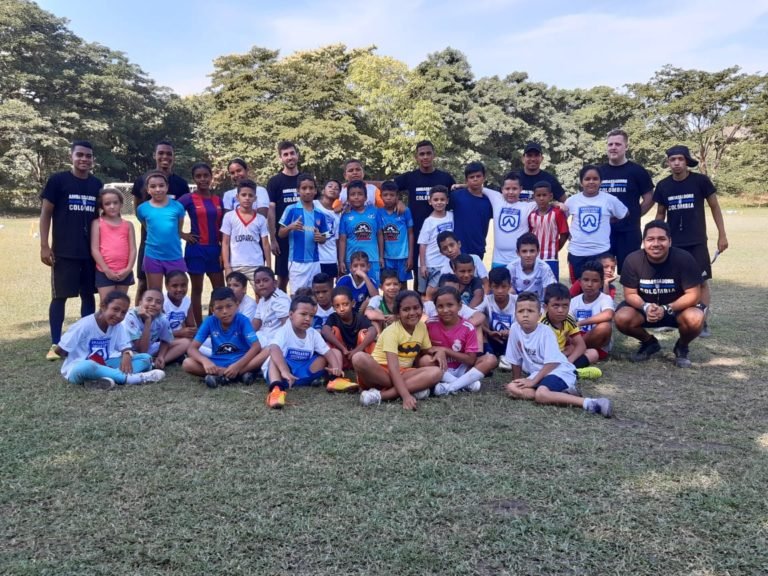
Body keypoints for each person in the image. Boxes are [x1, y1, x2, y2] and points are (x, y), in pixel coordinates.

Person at [653, 145, 728, 337]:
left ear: (686, 161)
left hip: (696, 241)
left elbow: (715, 207)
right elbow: (660, 214)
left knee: (701, 281)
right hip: (673, 243)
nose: (676, 163)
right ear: (668, 162)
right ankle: (671, 319)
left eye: (680, 159)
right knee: (672, 282)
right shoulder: (663, 185)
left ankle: (702, 322)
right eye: (673, 160)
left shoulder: (700, 181)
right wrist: (655, 239)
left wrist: (722, 235)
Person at [40, 140, 102, 360]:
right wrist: (44, 245)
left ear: (92, 159)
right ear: (71, 157)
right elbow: (46, 213)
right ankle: (56, 342)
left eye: (88, 156)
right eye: (80, 155)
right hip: (64, 251)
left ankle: (85, 340)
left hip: (90, 252)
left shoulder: (96, 184)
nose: (84, 159)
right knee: (60, 297)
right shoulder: (58, 181)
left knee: (88, 296)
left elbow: (102, 217)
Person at [504, 292, 613, 417]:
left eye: (530, 311)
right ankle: (561, 395)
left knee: (541, 394)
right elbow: (515, 359)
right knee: (512, 388)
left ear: (539, 315)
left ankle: (591, 403)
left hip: (558, 370)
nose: (525, 315)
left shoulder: (546, 332)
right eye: (520, 311)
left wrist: (533, 381)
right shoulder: (515, 329)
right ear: (515, 314)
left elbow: (552, 363)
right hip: (539, 373)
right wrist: (517, 380)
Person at [614, 220, 705, 368]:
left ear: (670, 241)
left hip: (676, 309)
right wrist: (646, 306)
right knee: (622, 317)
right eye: (650, 239)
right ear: (643, 242)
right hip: (645, 309)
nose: (656, 244)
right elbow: (630, 294)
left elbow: (694, 295)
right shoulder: (632, 260)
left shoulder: (684, 259)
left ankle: (682, 347)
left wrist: (667, 308)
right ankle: (649, 342)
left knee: (695, 318)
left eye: (661, 239)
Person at [352, 291, 445, 410]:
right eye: (406, 309)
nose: (412, 313)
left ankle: (380, 395)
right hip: (380, 373)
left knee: (436, 372)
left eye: (416, 308)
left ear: (422, 309)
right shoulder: (392, 331)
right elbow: (393, 368)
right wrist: (406, 396)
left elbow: (427, 350)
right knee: (358, 358)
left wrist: (440, 351)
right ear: (397, 314)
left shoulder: (421, 327)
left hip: (404, 372)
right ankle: (411, 388)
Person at [55, 291, 166, 389]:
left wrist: (127, 354)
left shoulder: (117, 325)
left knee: (146, 358)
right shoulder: (83, 325)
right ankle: (132, 379)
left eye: (123, 312)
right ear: (103, 306)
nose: (118, 315)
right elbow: (59, 350)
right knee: (86, 366)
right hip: (81, 368)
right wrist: (76, 355)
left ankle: (101, 379)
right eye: (115, 309)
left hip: (106, 364)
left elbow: (125, 347)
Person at [131, 140, 191, 305]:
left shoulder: (181, 184)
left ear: (174, 157)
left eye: (169, 153)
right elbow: (138, 211)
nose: (165, 156)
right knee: (144, 285)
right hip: (150, 244)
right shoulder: (142, 180)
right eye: (161, 153)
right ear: (154, 155)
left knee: (176, 287)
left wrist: (181, 233)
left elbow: (181, 213)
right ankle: (140, 317)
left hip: (172, 249)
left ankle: (174, 317)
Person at [264, 295, 345, 408]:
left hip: (305, 372)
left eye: (311, 316)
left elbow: (327, 352)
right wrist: (284, 370)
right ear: (291, 315)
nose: (308, 319)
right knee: (274, 358)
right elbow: (274, 348)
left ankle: (335, 380)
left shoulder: (313, 333)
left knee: (334, 352)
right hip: (285, 376)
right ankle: (276, 391)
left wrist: (336, 367)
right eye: (303, 314)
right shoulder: (284, 331)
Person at [394, 140, 456, 288]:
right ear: (416, 157)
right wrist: (397, 200)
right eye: (422, 154)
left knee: (446, 276)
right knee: (421, 275)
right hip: (417, 234)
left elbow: (458, 194)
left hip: (441, 236)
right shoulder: (410, 177)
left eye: (428, 153)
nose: (425, 157)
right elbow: (386, 187)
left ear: (434, 155)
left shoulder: (445, 178)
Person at [184, 287, 268, 388]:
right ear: (212, 310)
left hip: (242, 361)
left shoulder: (243, 320)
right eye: (219, 308)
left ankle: (224, 376)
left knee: (268, 350)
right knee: (187, 363)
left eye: (229, 306)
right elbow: (192, 348)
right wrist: (205, 361)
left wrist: (237, 366)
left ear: (237, 305)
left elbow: (256, 346)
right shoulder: (209, 321)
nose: (224, 311)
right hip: (218, 363)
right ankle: (239, 375)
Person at [599, 129, 655, 271]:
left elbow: (649, 197)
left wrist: (634, 214)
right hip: (603, 232)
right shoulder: (599, 172)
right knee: (602, 272)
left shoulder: (637, 171)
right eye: (610, 144)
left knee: (630, 272)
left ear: (626, 147)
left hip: (629, 232)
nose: (613, 147)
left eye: (618, 144)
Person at [427, 286, 497, 395]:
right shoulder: (429, 324)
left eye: (450, 305)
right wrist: (436, 352)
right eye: (440, 306)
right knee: (424, 360)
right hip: (440, 367)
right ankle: (464, 384)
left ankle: (449, 387)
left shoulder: (468, 327)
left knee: (491, 359)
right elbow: (424, 350)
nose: (445, 310)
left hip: (463, 369)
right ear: (435, 308)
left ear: (459, 306)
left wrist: (444, 350)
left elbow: (471, 360)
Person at [565, 165, 628, 283]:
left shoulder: (610, 199)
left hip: (601, 252)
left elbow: (624, 213)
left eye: (595, 179)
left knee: (601, 287)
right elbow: (560, 218)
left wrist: (609, 220)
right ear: (581, 182)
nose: (591, 182)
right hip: (577, 252)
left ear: (600, 181)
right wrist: (567, 232)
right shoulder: (572, 201)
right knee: (578, 287)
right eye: (587, 179)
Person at [179, 163, 224, 325]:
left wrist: (223, 250)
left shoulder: (218, 200)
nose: (203, 179)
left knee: (220, 290)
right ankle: (198, 326)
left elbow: (223, 226)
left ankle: (214, 323)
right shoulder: (188, 198)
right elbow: (170, 213)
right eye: (198, 176)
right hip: (196, 249)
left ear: (211, 177)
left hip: (215, 249)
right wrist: (181, 234)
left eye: (206, 175)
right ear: (194, 179)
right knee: (197, 290)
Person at [539, 283, 602, 378]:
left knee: (593, 353)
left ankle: (566, 370)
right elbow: (541, 353)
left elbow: (581, 345)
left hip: (562, 356)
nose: (560, 310)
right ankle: (574, 373)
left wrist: (568, 362)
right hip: (546, 359)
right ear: (545, 307)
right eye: (556, 306)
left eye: (565, 306)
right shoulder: (542, 324)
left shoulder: (569, 319)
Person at [278, 173, 328, 290]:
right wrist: (291, 227)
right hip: (297, 262)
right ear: (298, 191)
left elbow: (324, 238)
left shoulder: (320, 214)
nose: (308, 191)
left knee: (315, 295)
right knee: (297, 296)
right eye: (304, 188)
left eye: (311, 188)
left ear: (315, 191)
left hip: (315, 262)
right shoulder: (291, 209)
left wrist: (321, 238)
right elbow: (280, 233)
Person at [220, 179, 271, 296]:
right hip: (236, 265)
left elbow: (265, 244)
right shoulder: (229, 217)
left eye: (250, 195)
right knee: (235, 297)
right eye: (243, 195)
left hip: (256, 264)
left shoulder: (260, 219)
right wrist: (227, 266)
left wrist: (268, 266)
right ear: (237, 197)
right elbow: (225, 243)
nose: (247, 198)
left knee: (261, 296)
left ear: (255, 198)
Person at [90, 187, 136, 302]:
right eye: (107, 204)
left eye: (115, 203)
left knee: (120, 304)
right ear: (102, 207)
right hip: (104, 272)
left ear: (121, 204)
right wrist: (106, 270)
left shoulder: (128, 225)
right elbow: (94, 249)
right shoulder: (97, 223)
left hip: (124, 272)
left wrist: (128, 269)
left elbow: (133, 249)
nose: (112, 206)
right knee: (107, 304)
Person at [123, 289, 188, 369]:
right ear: (140, 303)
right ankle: (149, 363)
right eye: (149, 300)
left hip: (149, 348)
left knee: (185, 343)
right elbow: (142, 351)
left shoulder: (162, 318)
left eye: (158, 302)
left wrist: (161, 355)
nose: (153, 304)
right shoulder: (131, 317)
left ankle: (158, 362)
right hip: (130, 351)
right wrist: (148, 321)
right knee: (143, 357)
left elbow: (165, 340)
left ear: (162, 307)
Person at [482, 171, 535, 268]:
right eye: (507, 189)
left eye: (514, 189)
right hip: (498, 260)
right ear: (502, 189)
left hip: (519, 261)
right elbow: (476, 187)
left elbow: (546, 204)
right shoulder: (496, 199)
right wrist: (461, 185)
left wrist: (558, 204)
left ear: (520, 189)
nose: (511, 192)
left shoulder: (528, 206)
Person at [267, 141, 301, 291]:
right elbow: (271, 211)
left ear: (297, 155)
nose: (289, 157)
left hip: (304, 236)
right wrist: (273, 239)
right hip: (283, 236)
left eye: (292, 153)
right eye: (285, 154)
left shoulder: (305, 179)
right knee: (282, 279)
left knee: (305, 279)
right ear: (281, 158)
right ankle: (282, 305)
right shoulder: (275, 182)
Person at [321, 286, 378, 372]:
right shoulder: (333, 318)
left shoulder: (358, 317)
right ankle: (335, 371)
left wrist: (358, 349)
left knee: (365, 335)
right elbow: (325, 330)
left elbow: (373, 330)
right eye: (337, 306)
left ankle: (374, 368)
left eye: (345, 304)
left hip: (359, 355)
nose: (341, 309)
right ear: (333, 307)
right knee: (333, 331)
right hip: (341, 355)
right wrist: (343, 349)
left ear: (353, 303)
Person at [338, 179, 382, 283]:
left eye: (360, 194)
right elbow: (342, 240)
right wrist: (341, 261)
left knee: (373, 287)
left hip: (372, 259)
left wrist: (381, 257)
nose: (356, 197)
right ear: (348, 198)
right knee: (353, 289)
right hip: (351, 260)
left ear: (366, 197)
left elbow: (380, 235)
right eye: (353, 194)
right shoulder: (345, 216)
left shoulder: (375, 212)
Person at [569, 260, 615, 359]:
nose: (589, 284)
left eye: (595, 281)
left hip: (597, 344)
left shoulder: (605, 299)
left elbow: (608, 314)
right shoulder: (574, 301)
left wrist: (581, 323)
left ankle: (574, 350)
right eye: (586, 280)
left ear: (601, 283)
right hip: (577, 338)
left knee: (605, 327)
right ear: (580, 282)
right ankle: (578, 351)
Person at [449, 161, 493, 259]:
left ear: (484, 177)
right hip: (458, 247)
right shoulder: (456, 196)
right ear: (466, 180)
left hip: (478, 247)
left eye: (478, 176)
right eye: (471, 177)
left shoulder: (489, 201)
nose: (475, 179)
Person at [417, 185, 453, 298]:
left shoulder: (451, 216)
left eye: (442, 199)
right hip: (427, 263)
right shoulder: (428, 221)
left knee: (434, 292)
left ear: (447, 201)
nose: (439, 202)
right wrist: (423, 265)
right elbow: (422, 245)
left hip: (443, 264)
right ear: (430, 201)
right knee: (423, 294)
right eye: (436, 200)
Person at [528, 181, 569, 280]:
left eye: (544, 195)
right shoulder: (531, 215)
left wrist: (556, 248)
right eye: (538, 195)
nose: (541, 198)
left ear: (550, 196)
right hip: (535, 258)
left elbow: (564, 234)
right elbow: (529, 235)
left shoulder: (557, 213)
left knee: (551, 286)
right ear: (534, 197)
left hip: (551, 258)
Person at [377, 180, 414, 287]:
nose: (388, 198)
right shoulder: (378, 212)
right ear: (381, 196)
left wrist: (410, 256)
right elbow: (380, 235)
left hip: (403, 256)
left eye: (392, 195)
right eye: (385, 195)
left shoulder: (405, 211)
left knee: (402, 285)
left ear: (397, 196)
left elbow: (410, 233)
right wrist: (381, 257)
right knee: (387, 284)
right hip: (387, 257)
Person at [476, 266, 517, 358]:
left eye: (504, 286)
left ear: (510, 286)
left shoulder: (517, 301)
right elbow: (472, 316)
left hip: (513, 338)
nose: (500, 291)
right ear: (490, 286)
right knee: (479, 317)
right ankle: (485, 353)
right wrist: (489, 332)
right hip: (492, 338)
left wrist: (512, 331)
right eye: (496, 287)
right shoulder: (486, 300)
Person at [507, 233, 556, 301]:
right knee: (509, 290)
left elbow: (550, 292)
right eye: (524, 251)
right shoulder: (511, 267)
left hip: (539, 304)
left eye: (532, 251)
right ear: (518, 253)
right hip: (517, 304)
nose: (528, 255)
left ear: (538, 252)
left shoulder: (544, 267)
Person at [252, 266, 291, 347]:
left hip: (275, 341)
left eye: (265, 280)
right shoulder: (262, 299)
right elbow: (256, 323)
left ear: (275, 283)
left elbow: (287, 326)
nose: (261, 284)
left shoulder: (279, 299)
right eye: (257, 282)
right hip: (264, 337)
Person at [314, 180, 342, 278]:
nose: (333, 189)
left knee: (328, 285)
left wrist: (339, 261)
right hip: (313, 257)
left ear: (339, 194)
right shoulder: (313, 205)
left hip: (330, 257)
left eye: (336, 188)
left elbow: (337, 238)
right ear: (323, 190)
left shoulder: (339, 214)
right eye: (330, 186)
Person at [365, 268, 401, 333]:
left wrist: (397, 317)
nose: (392, 287)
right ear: (381, 287)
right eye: (388, 284)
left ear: (400, 286)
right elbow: (368, 312)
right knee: (376, 315)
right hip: (383, 331)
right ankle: (379, 337)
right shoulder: (377, 299)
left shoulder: (403, 300)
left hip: (401, 332)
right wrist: (386, 318)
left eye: (395, 284)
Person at [163, 271, 197, 339]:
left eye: (183, 285)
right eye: (175, 286)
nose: (179, 289)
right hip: (162, 341)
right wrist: (179, 333)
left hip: (180, 338)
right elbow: (157, 333)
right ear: (166, 287)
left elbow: (191, 326)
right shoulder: (161, 302)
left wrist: (191, 331)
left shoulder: (187, 301)